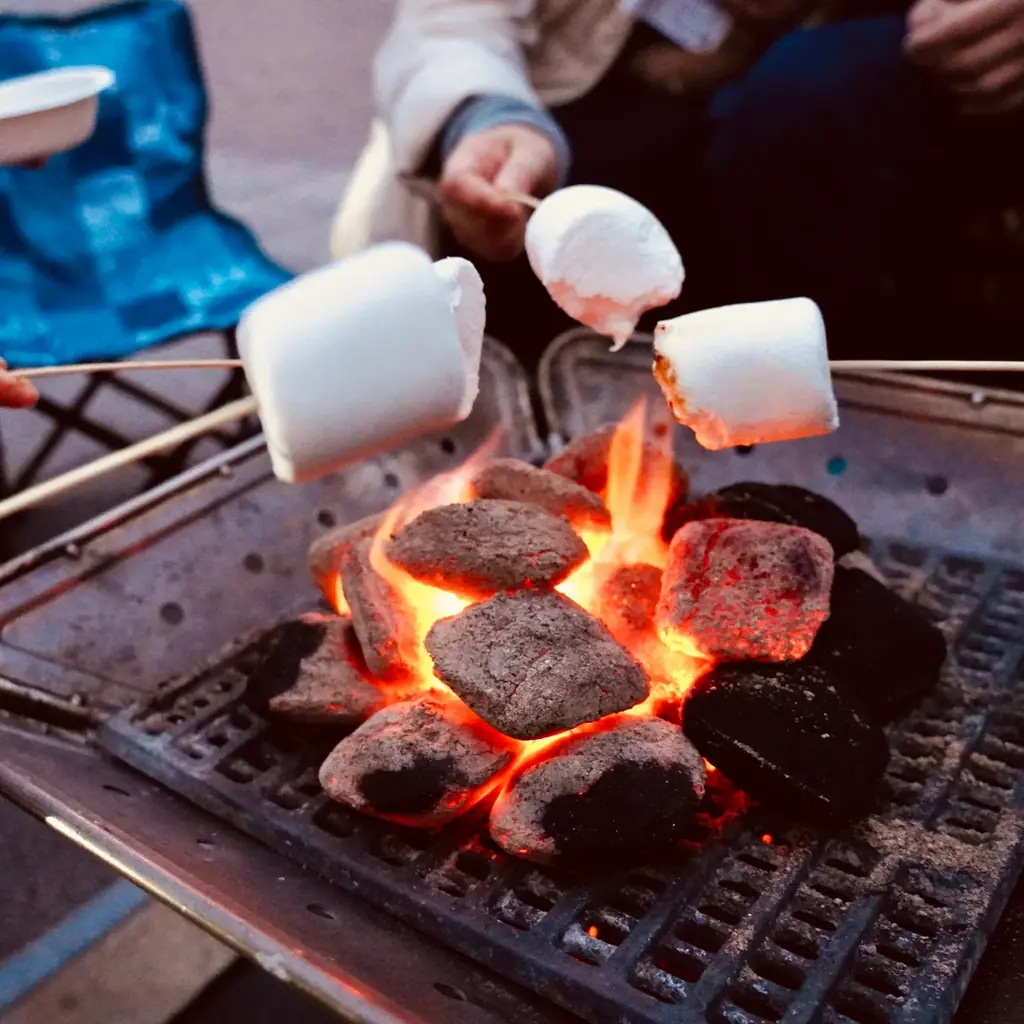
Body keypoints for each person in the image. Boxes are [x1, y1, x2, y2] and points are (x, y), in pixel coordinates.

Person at [333, 0, 1024, 367]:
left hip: (795, 200)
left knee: (809, 101)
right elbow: (449, 25)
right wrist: (485, 117)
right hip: (572, 197)